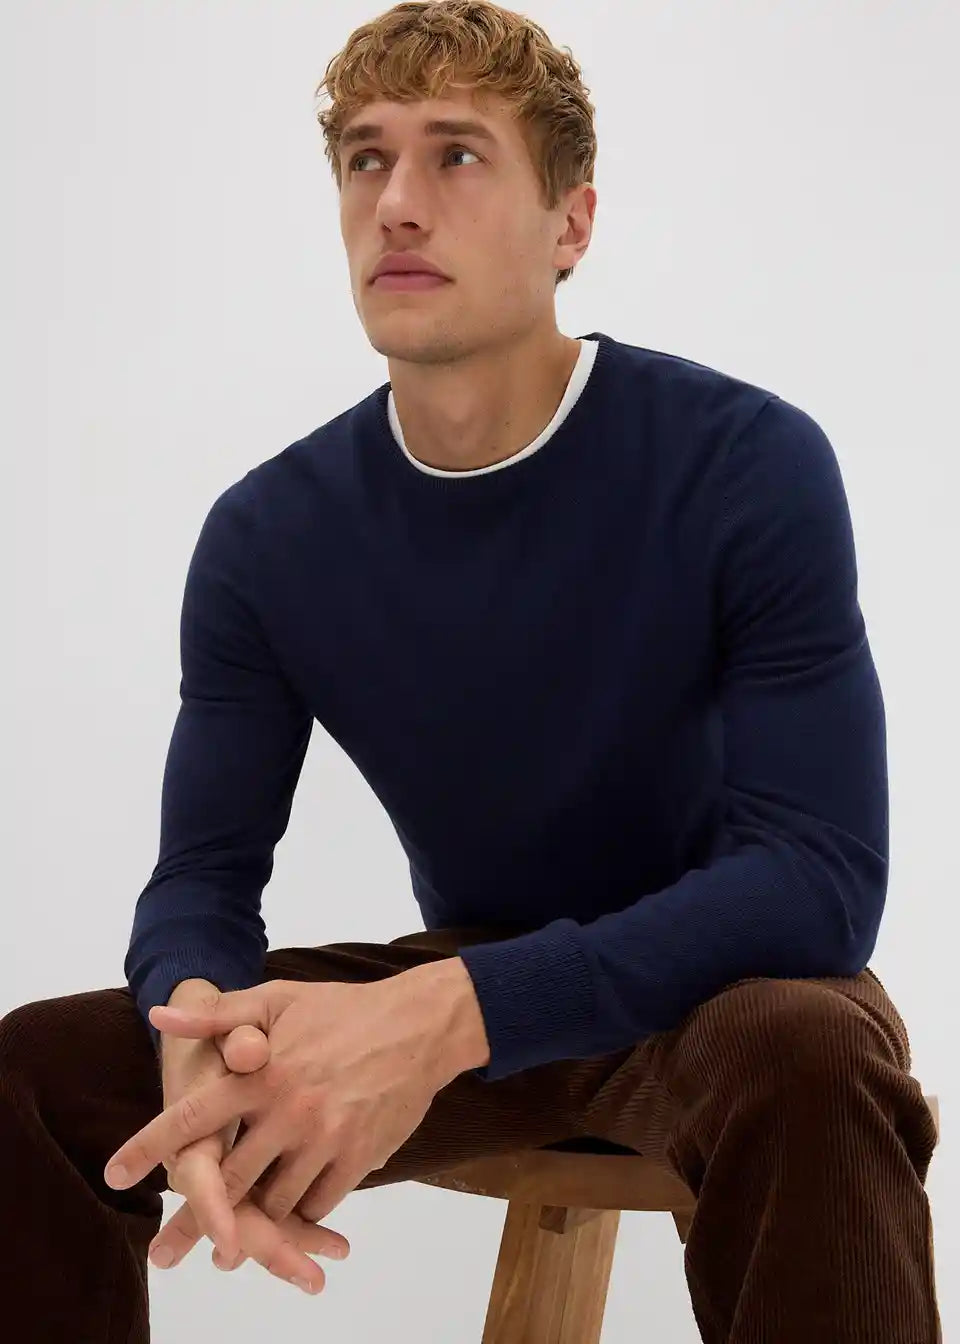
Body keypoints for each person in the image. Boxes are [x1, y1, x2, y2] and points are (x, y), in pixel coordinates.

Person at [0, 3, 941, 1341]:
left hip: (722, 985)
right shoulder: (269, 537)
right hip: (471, 975)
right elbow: (204, 876)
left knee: (814, 1049)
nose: (396, 202)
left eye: (456, 154)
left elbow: (818, 883)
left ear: (571, 225)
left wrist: (448, 1014)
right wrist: (195, 1025)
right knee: (33, 1076)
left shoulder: (746, 463)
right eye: (365, 159)